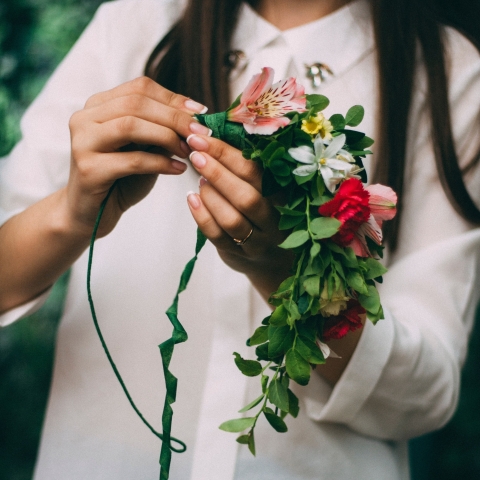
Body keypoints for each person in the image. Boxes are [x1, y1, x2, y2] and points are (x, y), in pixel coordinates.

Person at [0, 0, 479, 478]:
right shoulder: (137, 22)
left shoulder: (447, 71)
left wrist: (284, 277)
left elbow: (422, 396)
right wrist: (72, 213)